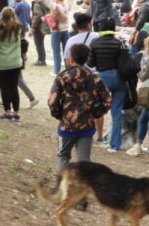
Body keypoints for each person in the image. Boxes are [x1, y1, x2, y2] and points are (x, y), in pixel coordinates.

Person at [47, 43, 111, 171]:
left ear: (71, 59)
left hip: (66, 125)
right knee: (84, 161)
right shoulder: (95, 78)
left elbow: (52, 101)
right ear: (87, 59)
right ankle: (84, 188)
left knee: (63, 156)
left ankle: (63, 186)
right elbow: (107, 100)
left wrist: (60, 115)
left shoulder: (62, 77)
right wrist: (95, 114)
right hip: (86, 126)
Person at [88, 18, 127, 153]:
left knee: (96, 108)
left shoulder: (95, 43)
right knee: (116, 113)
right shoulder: (119, 43)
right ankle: (115, 145)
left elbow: (91, 63)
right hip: (120, 79)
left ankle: (88, 137)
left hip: (102, 78)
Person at [0, 7, 23, 121]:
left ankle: (7, 112)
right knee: (14, 87)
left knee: (4, 88)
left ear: (1, 16)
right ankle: (16, 113)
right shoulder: (17, 28)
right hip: (15, 62)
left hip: (0, 63)